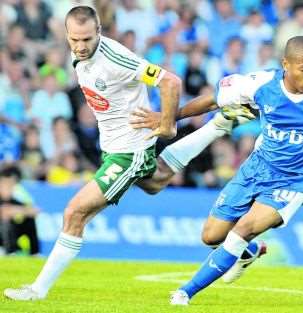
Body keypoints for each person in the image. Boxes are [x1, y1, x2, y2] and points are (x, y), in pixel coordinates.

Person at [4, 5, 254, 301]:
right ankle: (221, 125)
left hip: (129, 151)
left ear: (98, 32)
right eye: (75, 40)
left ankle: (37, 290)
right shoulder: (78, 56)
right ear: (67, 36)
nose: (81, 46)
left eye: (87, 39)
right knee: (155, 181)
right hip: (113, 149)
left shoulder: (115, 57)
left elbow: (170, 81)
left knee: (74, 212)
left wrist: (167, 123)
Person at [169, 36, 303, 305]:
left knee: (244, 228)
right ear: (286, 64)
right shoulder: (261, 84)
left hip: (292, 181)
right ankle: (249, 252)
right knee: (211, 236)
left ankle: (185, 292)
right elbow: (214, 100)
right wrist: (171, 117)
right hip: (256, 169)